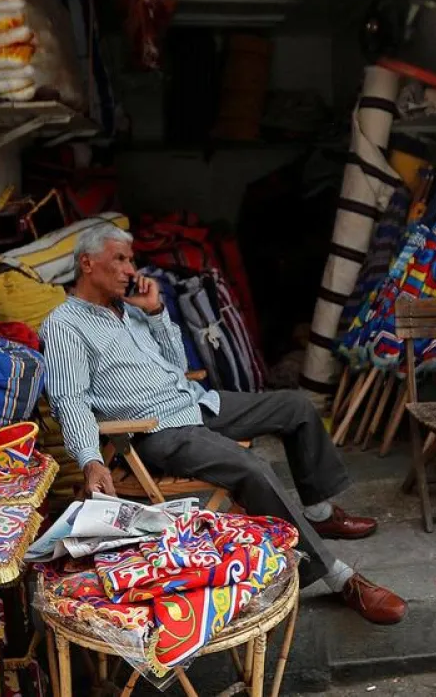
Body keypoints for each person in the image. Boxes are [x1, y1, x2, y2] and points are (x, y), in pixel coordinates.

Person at [39, 223, 408, 625]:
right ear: (87, 264)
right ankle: (336, 576)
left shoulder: (130, 310)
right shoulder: (65, 325)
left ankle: (318, 513)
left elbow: (177, 366)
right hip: (154, 430)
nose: (131, 269)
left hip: (193, 403)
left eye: (132, 259)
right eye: (120, 259)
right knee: (251, 468)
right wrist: (91, 458)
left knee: (296, 406)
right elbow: (68, 397)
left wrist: (158, 312)